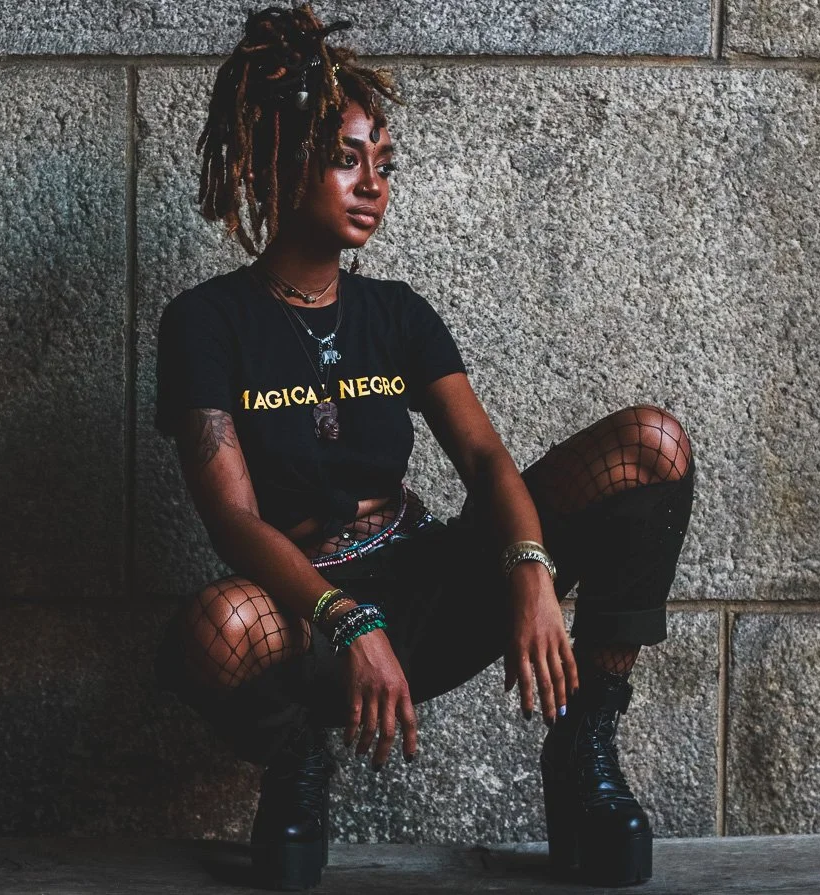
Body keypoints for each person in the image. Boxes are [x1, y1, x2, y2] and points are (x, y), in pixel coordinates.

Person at [153, 4, 695, 890]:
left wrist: (526, 568)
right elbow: (232, 518)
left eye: (384, 163)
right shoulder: (208, 323)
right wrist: (347, 617)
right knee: (217, 628)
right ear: (284, 158)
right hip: (312, 615)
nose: (373, 183)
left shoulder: (395, 313)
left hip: (430, 582)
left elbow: (485, 461)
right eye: (346, 158)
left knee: (651, 443)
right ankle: (298, 762)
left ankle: (585, 741)